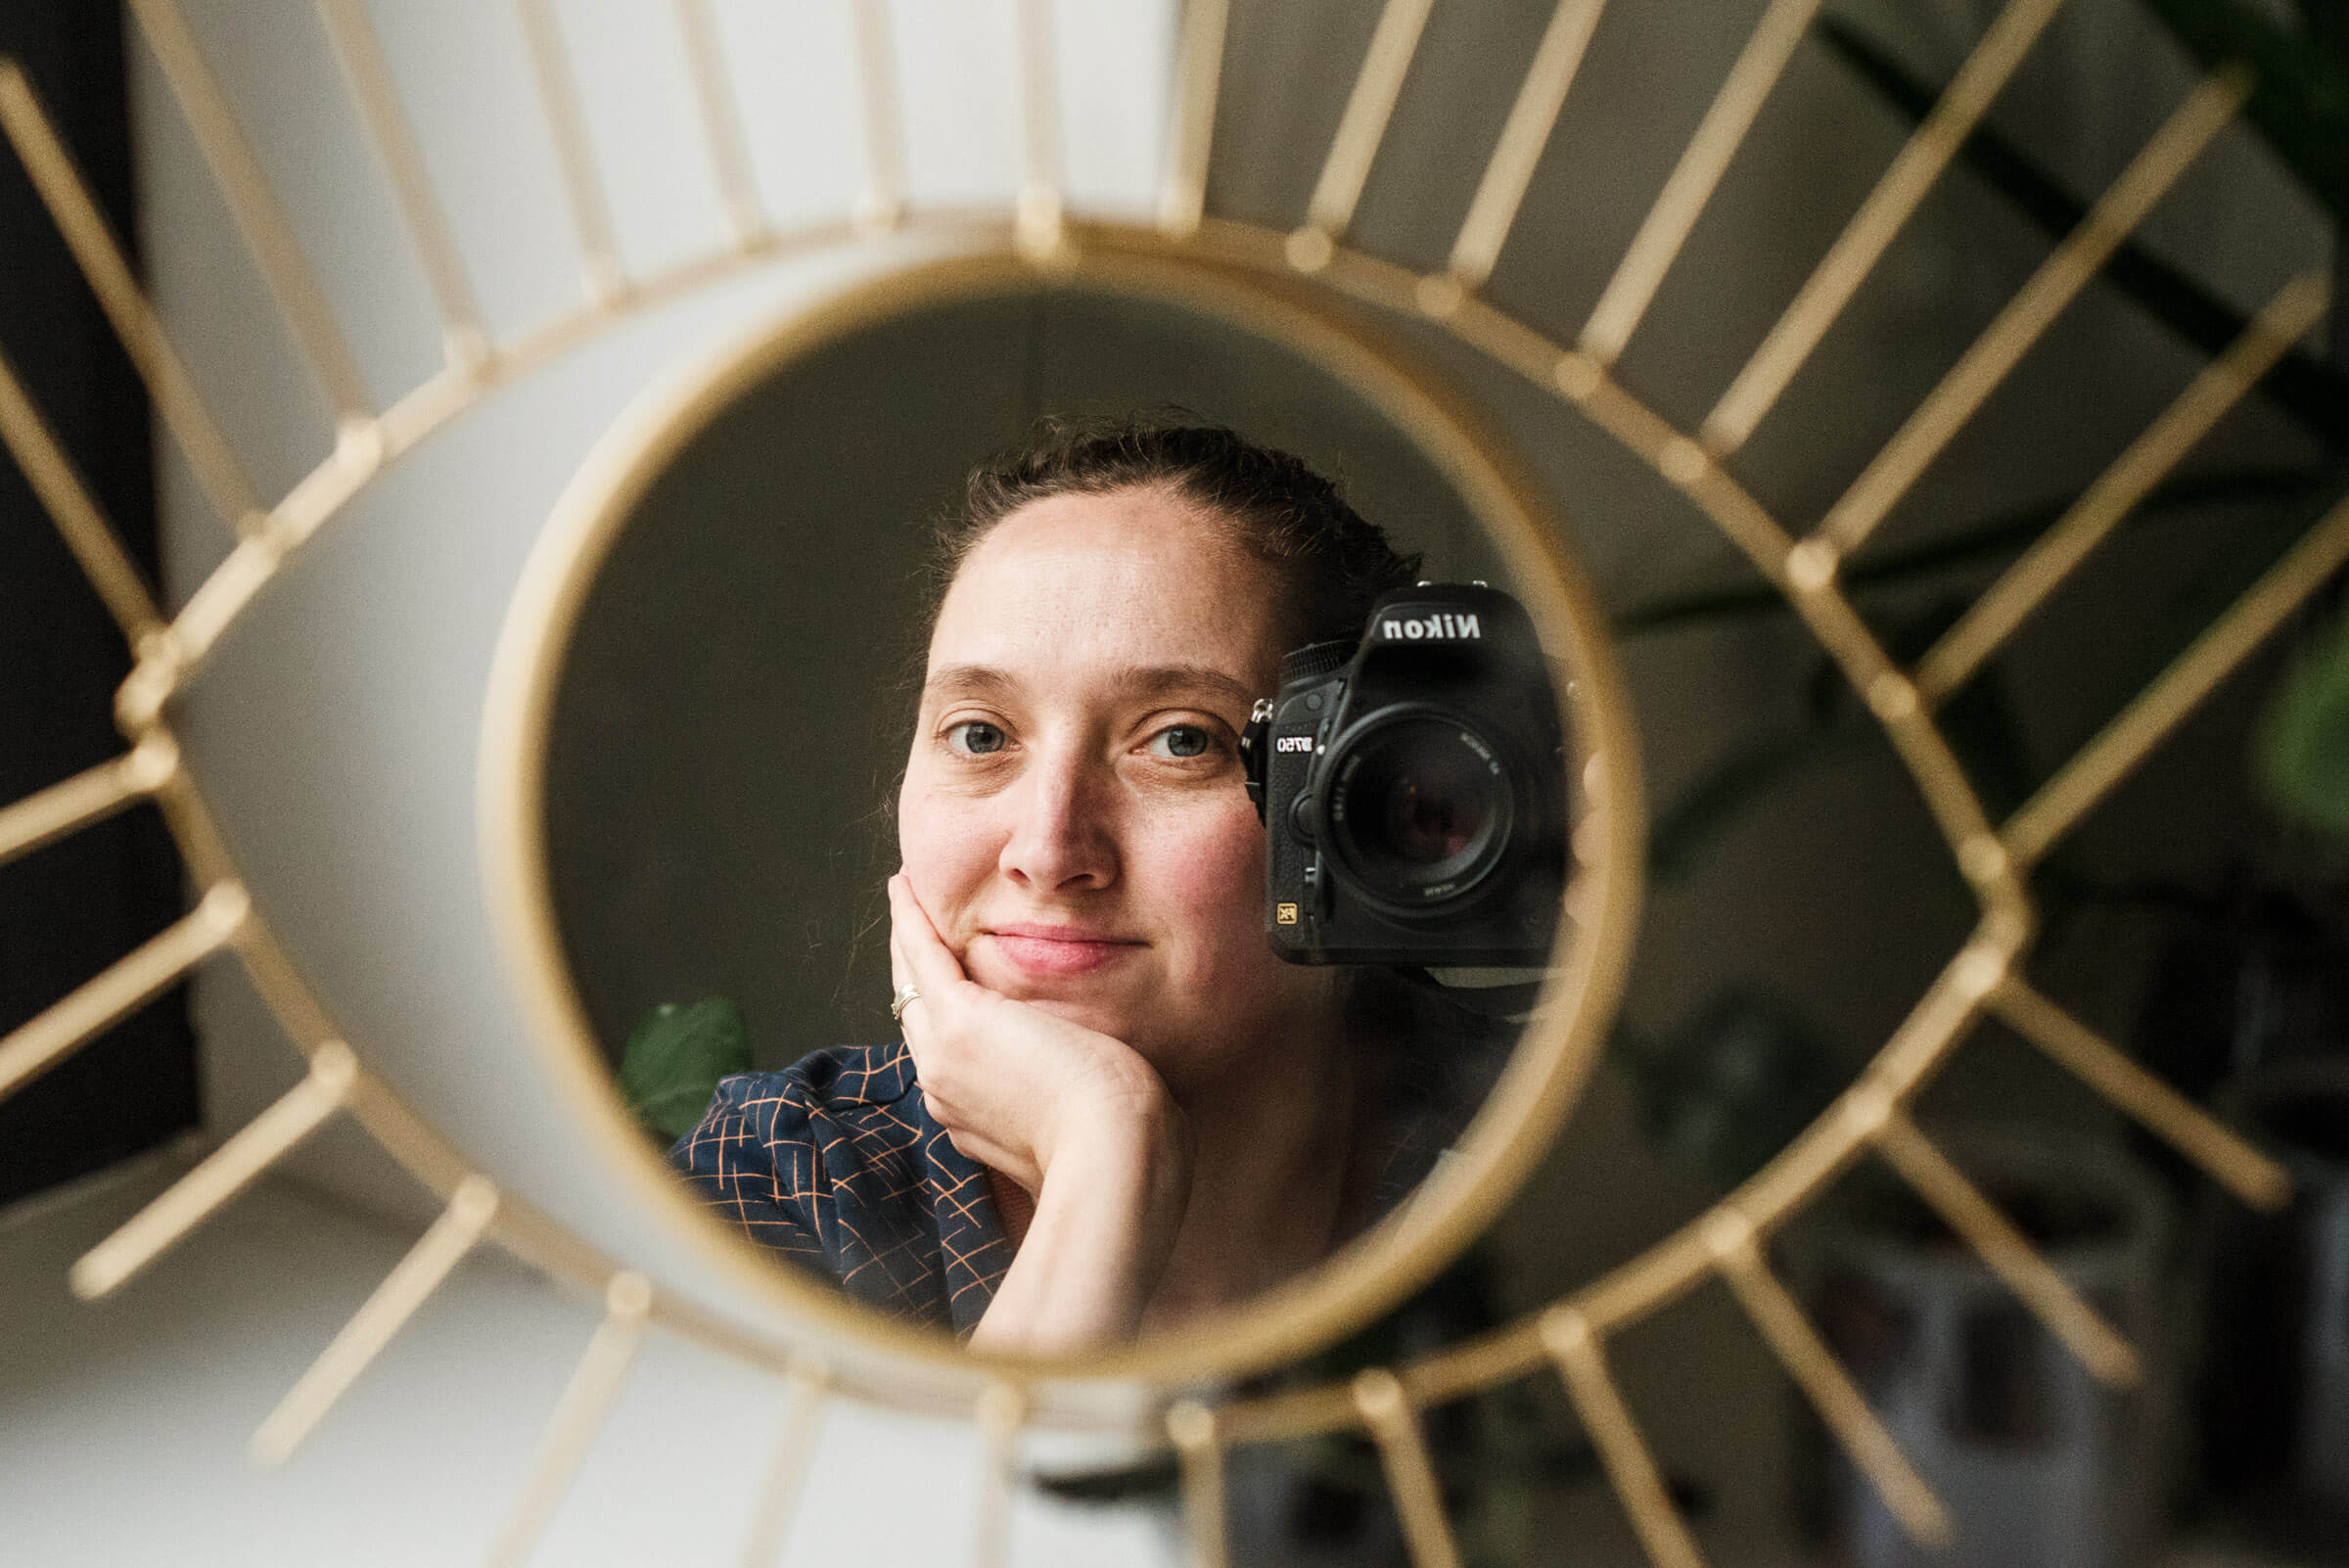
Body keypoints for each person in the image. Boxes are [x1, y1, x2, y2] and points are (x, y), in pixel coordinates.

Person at [671, 415, 1497, 1356]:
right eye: (981, 734)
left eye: (1182, 739)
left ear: (1366, 797)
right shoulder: (796, 1176)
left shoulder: (1548, 1140)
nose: (1049, 846)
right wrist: (1104, 1156)